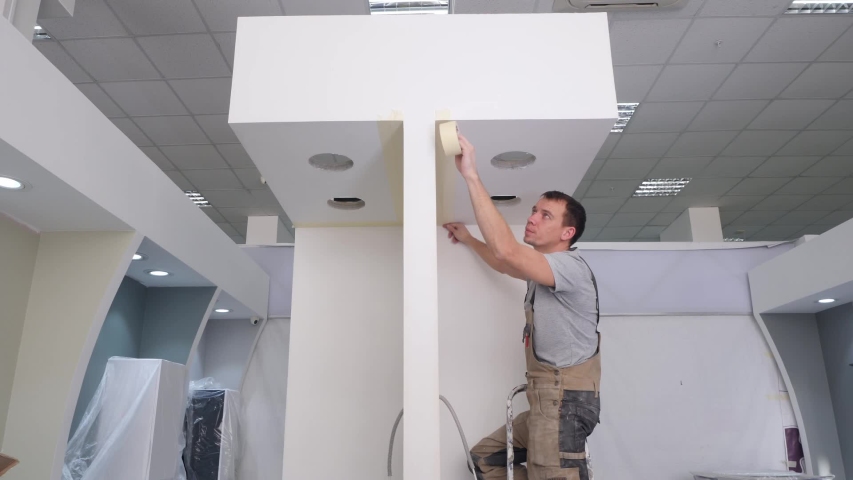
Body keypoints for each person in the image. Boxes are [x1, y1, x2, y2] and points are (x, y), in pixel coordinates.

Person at [443, 134, 601, 480]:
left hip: (564, 404)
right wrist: (470, 239)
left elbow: (507, 253)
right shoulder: (542, 273)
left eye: (546, 215)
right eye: (534, 211)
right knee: (484, 460)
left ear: (567, 233)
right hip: (546, 403)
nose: (533, 218)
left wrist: (471, 175)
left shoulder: (570, 269)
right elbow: (503, 263)